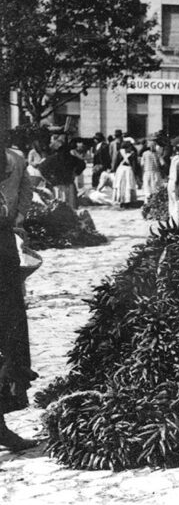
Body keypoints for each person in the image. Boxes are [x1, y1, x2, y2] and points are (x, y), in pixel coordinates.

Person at [0, 135, 40, 451]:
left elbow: (26, 190)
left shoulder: (15, 158)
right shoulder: (14, 156)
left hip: (3, 252)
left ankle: (0, 425)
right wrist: (18, 219)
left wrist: (17, 220)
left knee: (7, 339)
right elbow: (26, 191)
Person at [37, 136, 86, 211]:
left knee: (59, 209)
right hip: (68, 186)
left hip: (58, 186)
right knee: (69, 208)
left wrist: (49, 180)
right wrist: (75, 174)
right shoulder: (70, 158)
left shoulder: (52, 159)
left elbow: (41, 169)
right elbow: (82, 164)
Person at [112, 138, 139, 207]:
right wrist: (135, 173)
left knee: (121, 185)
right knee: (127, 185)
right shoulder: (132, 154)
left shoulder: (119, 152)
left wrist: (115, 170)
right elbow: (134, 164)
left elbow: (116, 162)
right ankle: (127, 201)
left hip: (120, 170)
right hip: (128, 170)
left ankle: (121, 200)